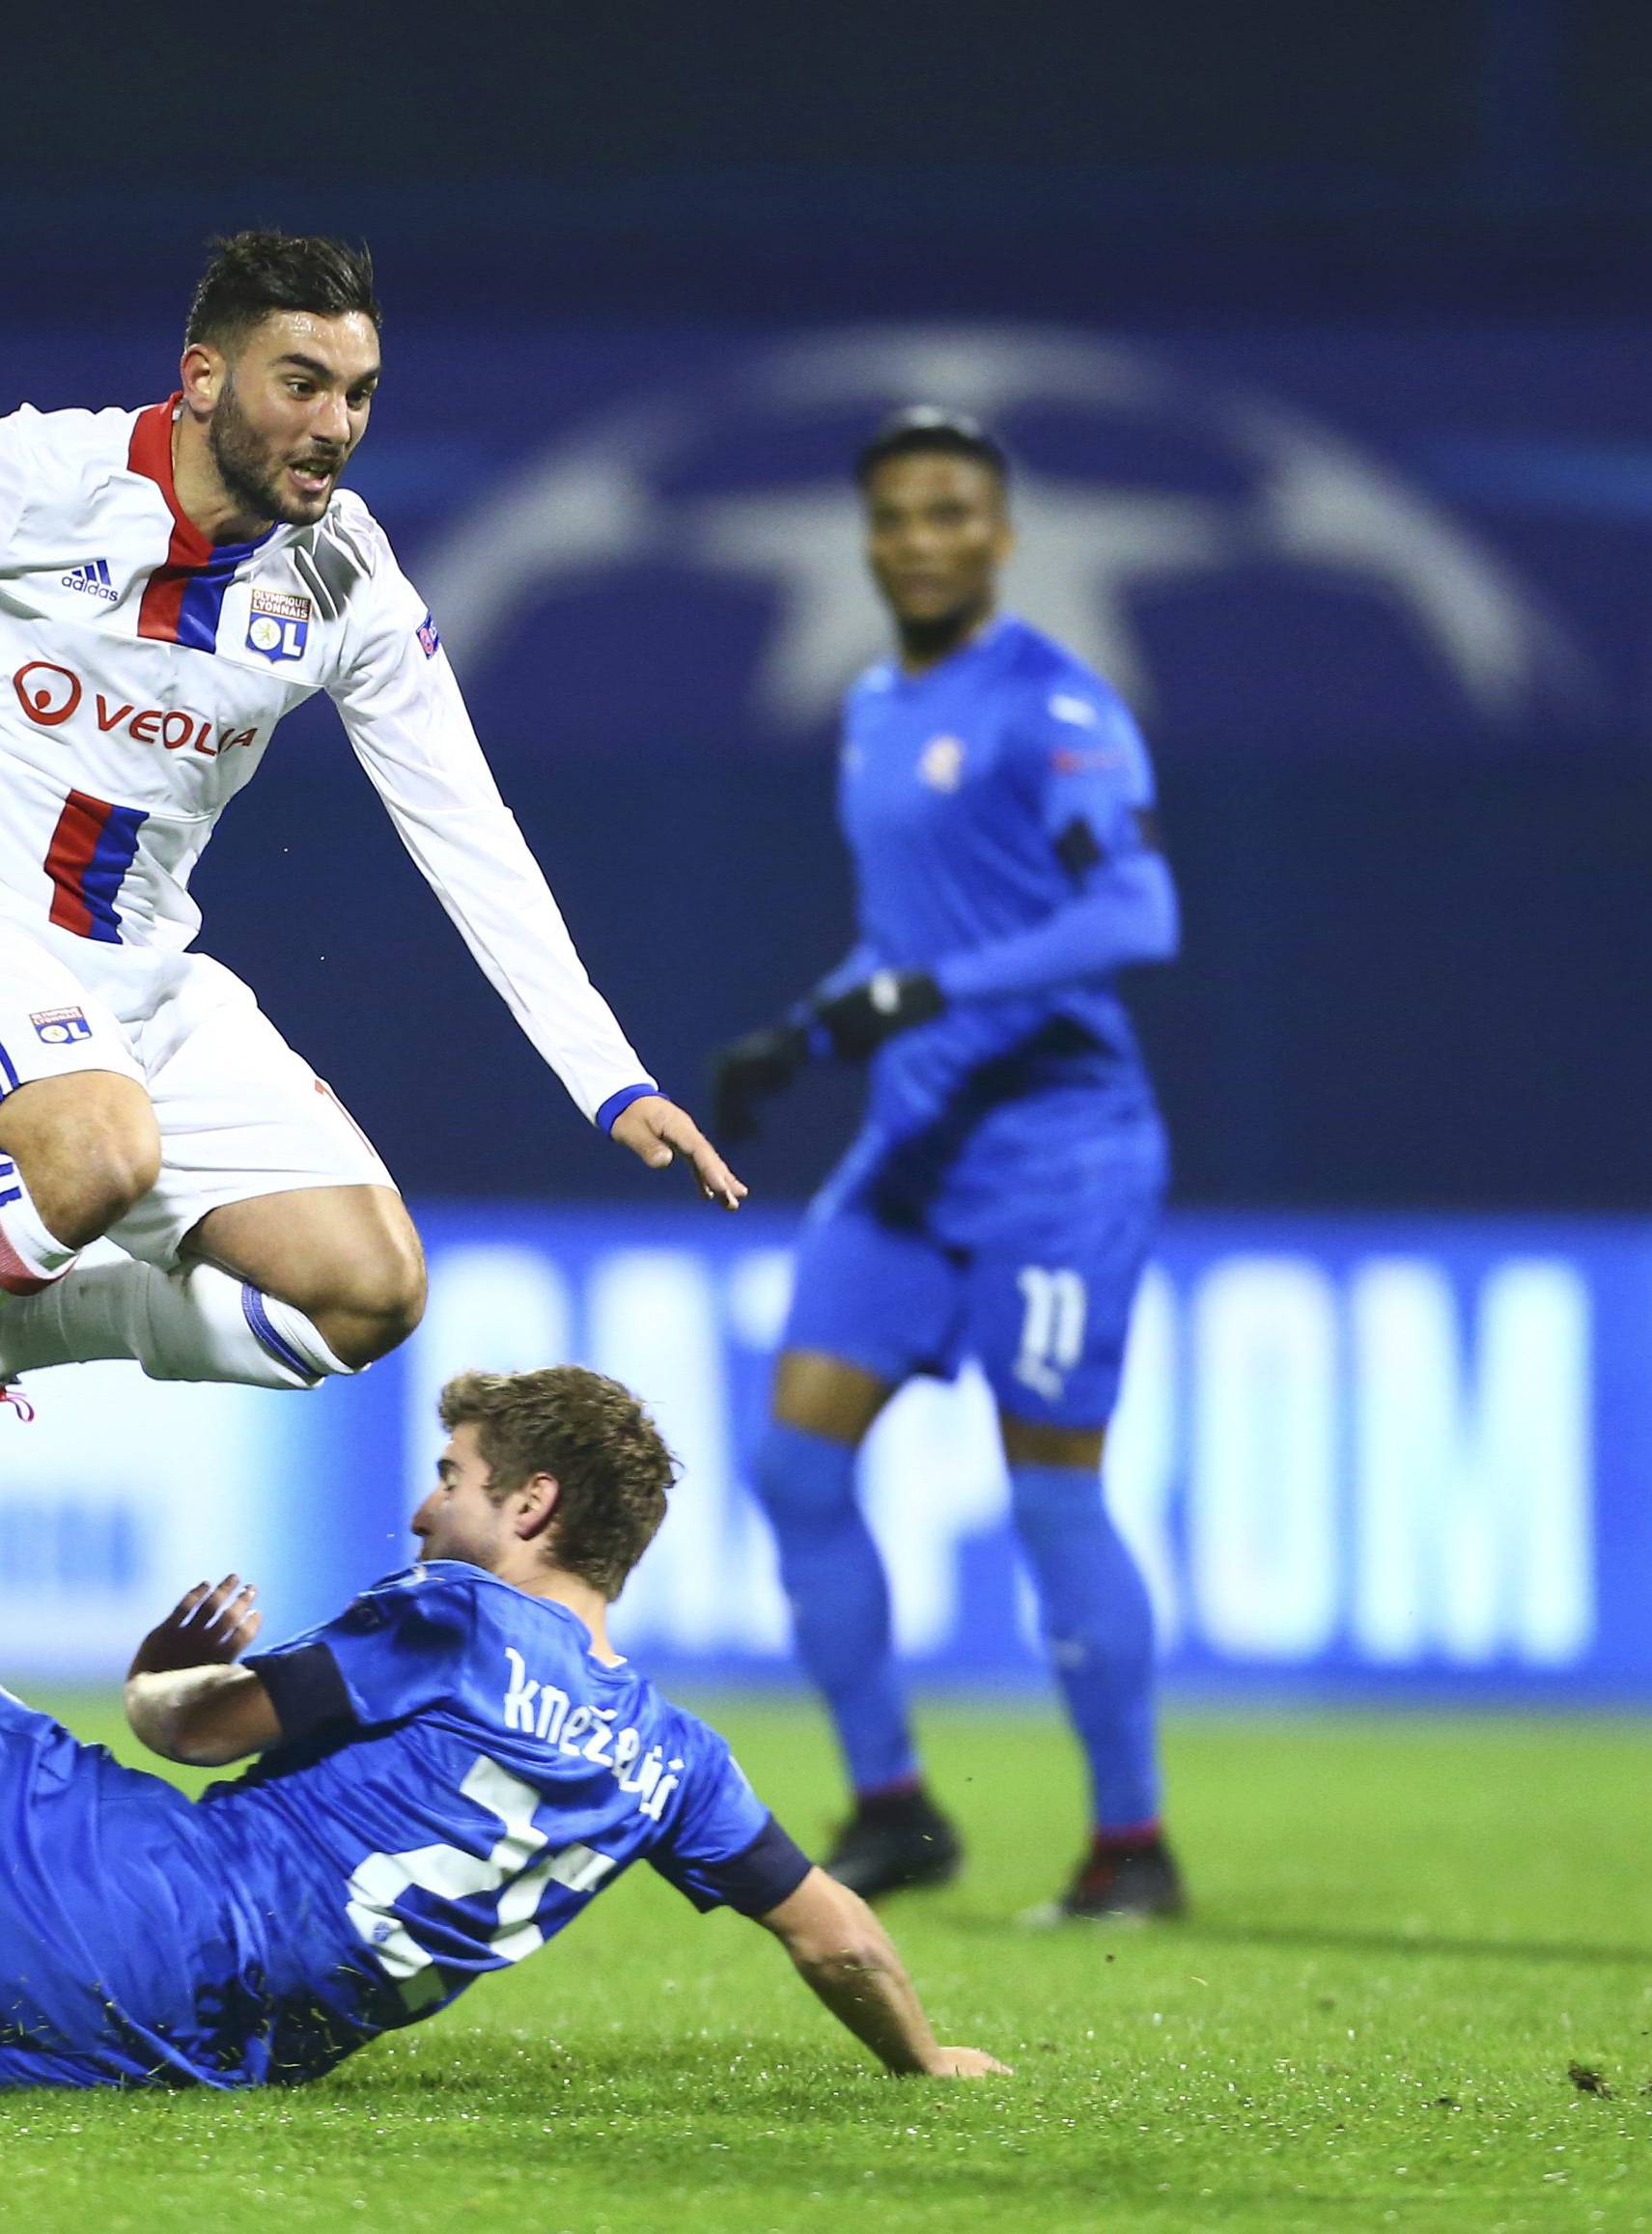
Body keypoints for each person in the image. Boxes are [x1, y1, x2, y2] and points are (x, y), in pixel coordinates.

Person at [0, 232, 742, 1414]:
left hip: (139, 977)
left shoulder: (347, 579)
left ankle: (17, 1334)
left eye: (358, 394)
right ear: (202, 379)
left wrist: (610, 1076)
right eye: (300, 384)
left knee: (366, 1291)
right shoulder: (41, 477)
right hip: (10, 941)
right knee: (97, 1151)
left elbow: (465, 824)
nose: (336, 424)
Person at [0, 1364, 1008, 2090]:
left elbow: (194, 1734)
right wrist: (925, 2058)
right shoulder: (678, 1762)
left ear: (533, 1503)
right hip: (210, 2053)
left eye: (450, 1476)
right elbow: (838, 1939)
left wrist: (155, 1674)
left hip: (143, 1907)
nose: (420, 1512)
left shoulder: (457, 1617)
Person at [710, 409, 1184, 1920]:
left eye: (952, 512)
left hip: (1059, 1157)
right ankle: (898, 1808)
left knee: (1051, 1497)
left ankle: (1132, 1847)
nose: (922, 538)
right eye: (898, 515)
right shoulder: (868, 703)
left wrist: (921, 993)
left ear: (1001, 533)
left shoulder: (1056, 701)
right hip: (911, 1152)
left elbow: (1136, 917)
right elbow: (911, 940)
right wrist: (804, 1029)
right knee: (792, 1466)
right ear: (869, 537)